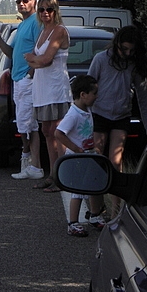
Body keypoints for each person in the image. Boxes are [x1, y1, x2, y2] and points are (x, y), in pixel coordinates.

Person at [87, 25, 147, 213]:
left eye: (131, 50)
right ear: (116, 44)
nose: (127, 53)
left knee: (115, 162)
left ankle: (116, 209)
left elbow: (143, 98)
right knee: (97, 160)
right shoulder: (101, 59)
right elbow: (88, 85)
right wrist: (82, 115)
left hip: (121, 116)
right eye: (124, 49)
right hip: (100, 113)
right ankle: (95, 209)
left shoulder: (134, 64)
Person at [0, 0, 44, 180]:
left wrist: (30, 75)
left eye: (25, 1)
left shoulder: (36, 23)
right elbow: (12, 54)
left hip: (26, 81)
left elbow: (41, 51)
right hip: (18, 79)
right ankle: (30, 163)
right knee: (25, 125)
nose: (21, 4)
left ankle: (31, 163)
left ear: (34, 2)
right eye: (18, 1)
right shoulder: (22, 26)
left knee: (28, 125)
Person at [24, 0, 71, 192]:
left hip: (56, 91)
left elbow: (46, 60)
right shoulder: (44, 31)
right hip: (42, 91)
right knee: (47, 133)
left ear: (55, 11)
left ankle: (63, 177)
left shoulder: (59, 31)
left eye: (49, 9)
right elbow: (39, 61)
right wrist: (35, 60)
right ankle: (53, 175)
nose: (45, 13)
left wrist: (32, 58)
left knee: (58, 134)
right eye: (41, 9)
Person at [55, 75, 106, 236]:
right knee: (77, 190)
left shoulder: (86, 110)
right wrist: (76, 149)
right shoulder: (73, 114)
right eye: (94, 93)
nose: (96, 96)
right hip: (77, 158)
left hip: (88, 156)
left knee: (94, 186)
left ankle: (95, 215)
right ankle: (73, 222)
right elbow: (59, 133)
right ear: (83, 94)